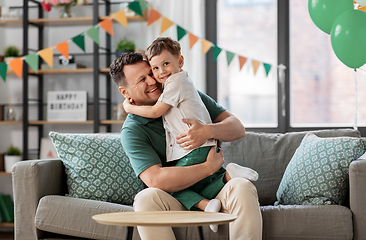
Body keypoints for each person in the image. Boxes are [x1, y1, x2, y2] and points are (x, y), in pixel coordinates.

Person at [109, 51, 263, 240]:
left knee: (241, 186)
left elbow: (238, 128)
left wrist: (208, 130)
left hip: (216, 188)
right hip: (178, 198)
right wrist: (208, 167)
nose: (152, 81)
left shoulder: (182, 92)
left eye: (152, 72)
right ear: (125, 92)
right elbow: (155, 179)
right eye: (142, 79)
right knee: (145, 198)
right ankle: (203, 203)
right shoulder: (133, 130)